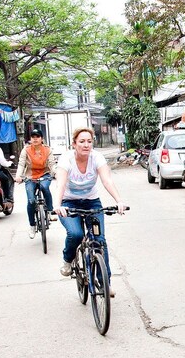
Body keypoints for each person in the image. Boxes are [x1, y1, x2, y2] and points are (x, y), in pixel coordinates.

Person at [53, 127, 125, 297]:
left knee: (99, 242)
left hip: (92, 201)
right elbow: (61, 184)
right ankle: (68, 259)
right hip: (68, 202)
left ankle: (104, 283)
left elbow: (107, 180)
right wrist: (57, 205)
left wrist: (119, 201)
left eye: (89, 141)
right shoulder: (66, 159)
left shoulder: (97, 158)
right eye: (82, 141)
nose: (86, 145)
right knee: (76, 234)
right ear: (74, 144)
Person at [15, 129, 57, 239]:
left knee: (44, 187)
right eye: (33, 136)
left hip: (45, 175)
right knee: (31, 201)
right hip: (30, 177)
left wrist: (55, 173)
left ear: (41, 139)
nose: (35, 138)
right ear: (30, 139)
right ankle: (32, 226)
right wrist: (19, 176)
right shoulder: (26, 150)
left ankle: (50, 211)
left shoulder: (48, 150)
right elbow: (21, 164)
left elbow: (52, 164)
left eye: (37, 136)